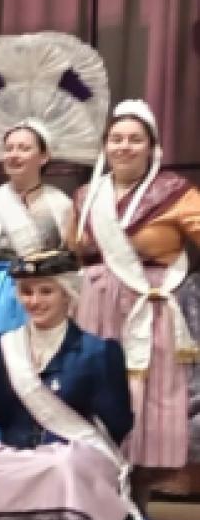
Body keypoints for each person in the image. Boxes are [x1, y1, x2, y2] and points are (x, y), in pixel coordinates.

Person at [0, 250, 167, 520]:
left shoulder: (99, 351)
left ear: (68, 293)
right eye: (26, 291)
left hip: (76, 453)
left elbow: (118, 423)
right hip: (21, 453)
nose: (34, 301)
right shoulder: (1, 347)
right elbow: (2, 412)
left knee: (62, 467)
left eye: (46, 291)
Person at [71, 101, 200, 493]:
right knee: (98, 386)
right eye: (116, 139)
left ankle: (139, 494)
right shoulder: (86, 195)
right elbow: (72, 248)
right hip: (96, 305)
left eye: (134, 139)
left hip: (151, 304)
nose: (124, 146)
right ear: (105, 145)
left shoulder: (175, 193)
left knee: (148, 394)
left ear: (152, 146)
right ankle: (97, 494)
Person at [0, 122, 88, 445]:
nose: (14, 155)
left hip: (47, 296)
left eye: (24, 148)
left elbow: (74, 255)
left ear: (44, 156)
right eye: (9, 148)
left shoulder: (61, 204)